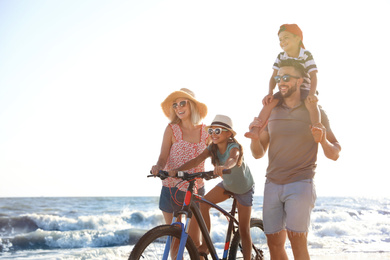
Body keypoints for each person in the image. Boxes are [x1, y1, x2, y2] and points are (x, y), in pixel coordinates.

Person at [249, 59, 341, 260]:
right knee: (273, 244)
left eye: (286, 77)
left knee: (297, 242)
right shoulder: (271, 110)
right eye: (278, 77)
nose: (281, 81)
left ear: (300, 81)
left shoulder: (314, 111)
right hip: (272, 183)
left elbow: (335, 152)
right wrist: (255, 138)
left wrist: (323, 140)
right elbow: (257, 153)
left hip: (300, 183)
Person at [170, 115, 254, 260]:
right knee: (203, 203)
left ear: (228, 133)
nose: (213, 134)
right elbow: (196, 160)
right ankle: (206, 244)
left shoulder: (233, 147)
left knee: (243, 229)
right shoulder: (212, 148)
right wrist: (177, 171)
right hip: (227, 186)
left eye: (218, 130)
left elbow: (233, 159)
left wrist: (224, 167)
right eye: (211, 131)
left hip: (244, 188)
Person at [150, 88, 209, 249]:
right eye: (175, 105)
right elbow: (162, 158)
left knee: (195, 243)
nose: (178, 107)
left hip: (195, 190)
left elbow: (217, 155)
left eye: (182, 103)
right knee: (175, 241)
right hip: (171, 189)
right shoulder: (171, 129)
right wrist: (158, 167)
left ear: (193, 105)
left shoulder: (206, 132)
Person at [245, 24, 322, 142]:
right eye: (280, 39)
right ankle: (255, 130)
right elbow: (274, 76)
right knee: (268, 103)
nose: (282, 41)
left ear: (297, 39)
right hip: (285, 89)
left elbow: (313, 75)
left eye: (286, 37)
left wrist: (312, 93)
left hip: (304, 88)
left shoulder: (306, 54)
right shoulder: (281, 56)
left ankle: (317, 127)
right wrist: (270, 92)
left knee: (311, 104)